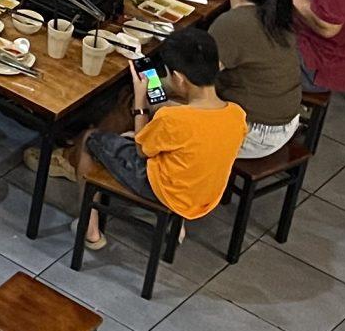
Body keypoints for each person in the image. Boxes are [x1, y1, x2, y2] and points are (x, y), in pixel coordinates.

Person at [79, 25, 246, 250]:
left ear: (179, 79)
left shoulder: (173, 119)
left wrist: (140, 102)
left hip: (167, 191)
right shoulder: (237, 115)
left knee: (90, 138)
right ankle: (178, 226)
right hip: (205, 195)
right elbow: (199, 137)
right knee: (145, 137)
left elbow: (141, 150)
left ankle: (90, 231)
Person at [213, 0, 308, 159]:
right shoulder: (273, 7)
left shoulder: (233, 24)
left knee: (158, 106)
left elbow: (196, 85)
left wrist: (152, 82)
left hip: (255, 134)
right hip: (284, 121)